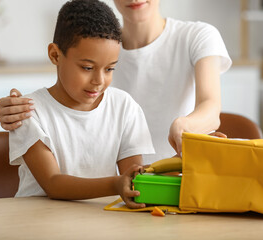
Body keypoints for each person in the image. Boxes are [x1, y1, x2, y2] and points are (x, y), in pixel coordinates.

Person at [0, 0, 232, 164]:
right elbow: (64, 109)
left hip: (171, 175)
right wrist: (19, 109)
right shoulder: (97, 44)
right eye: (89, 68)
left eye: (110, 69)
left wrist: (183, 126)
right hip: (110, 185)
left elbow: (211, 108)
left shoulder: (198, 36)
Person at [9, 0, 155, 209]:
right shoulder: (29, 112)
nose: (99, 80)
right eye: (87, 67)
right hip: (39, 221)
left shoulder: (125, 107)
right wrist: (115, 183)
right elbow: (53, 184)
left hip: (101, 220)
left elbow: (133, 178)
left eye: (109, 69)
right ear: (55, 55)